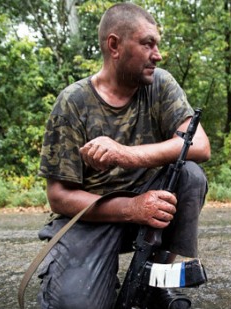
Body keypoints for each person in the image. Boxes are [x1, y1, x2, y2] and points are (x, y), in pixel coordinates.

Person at [36, 3, 211, 309]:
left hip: (149, 211)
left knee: (189, 175)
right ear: (114, 45)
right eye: (147, 44)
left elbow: (198, 144)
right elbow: (58, 197)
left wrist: (126, 155)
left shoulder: (160, 83)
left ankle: (156, 281)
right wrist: (131, 208)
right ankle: (96, 275)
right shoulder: (73, 103)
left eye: (157, 44)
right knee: (74, 305)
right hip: (93, 219)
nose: (157, 55)